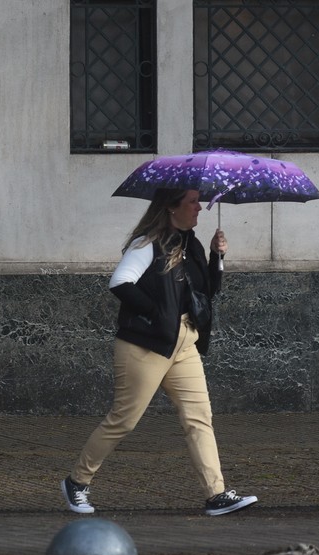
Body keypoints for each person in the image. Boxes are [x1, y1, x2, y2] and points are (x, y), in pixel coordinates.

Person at [61, 188, 257, 516]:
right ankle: (77, 482)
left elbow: (205, 293)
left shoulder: (191, 243)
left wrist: (216, 256)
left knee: (199, 418)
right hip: (145, 345)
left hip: (184, 344)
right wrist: (155, 313)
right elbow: (120, 283)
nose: (199, 208)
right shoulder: (146, 244)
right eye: (192, 202)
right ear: (170, 207)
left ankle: (216, 494)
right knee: (123, 420)